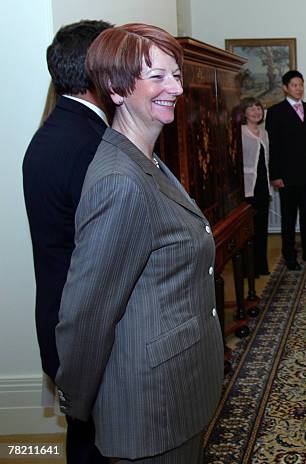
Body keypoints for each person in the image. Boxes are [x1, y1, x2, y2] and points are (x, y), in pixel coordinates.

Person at [54, 24, 224, 462]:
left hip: (177, 390)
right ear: (114, 88)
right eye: (157, 77)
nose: (175, 88)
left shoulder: (144, 157)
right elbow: (87, 315)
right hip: (151, 408)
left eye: (177, 75)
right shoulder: (120, 181)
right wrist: (79, 403)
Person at [22, 19, 112, 464]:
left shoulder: (59, 131)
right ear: (102, 72)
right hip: (86, 335)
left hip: (64, 327)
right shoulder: (89, 145)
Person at [266, 70, 306, 270]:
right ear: (285, 88)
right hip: (287, 177)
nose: (299, 89)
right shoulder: (275, 112)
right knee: (289, 219)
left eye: (301, 85)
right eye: (294, 85)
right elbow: (273, 146)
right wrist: (275, 175)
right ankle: (289, 256)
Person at [240, 97, 272, 276]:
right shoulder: (240, 132)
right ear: (244, 113)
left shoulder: (264, 132)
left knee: (261, 228)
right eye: (251, 109)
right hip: (247, 188)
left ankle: (261, 266)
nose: (256, 112)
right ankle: (248, 270)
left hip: (262, 187)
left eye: (258, 108)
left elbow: (265, 162)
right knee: (248, 232)